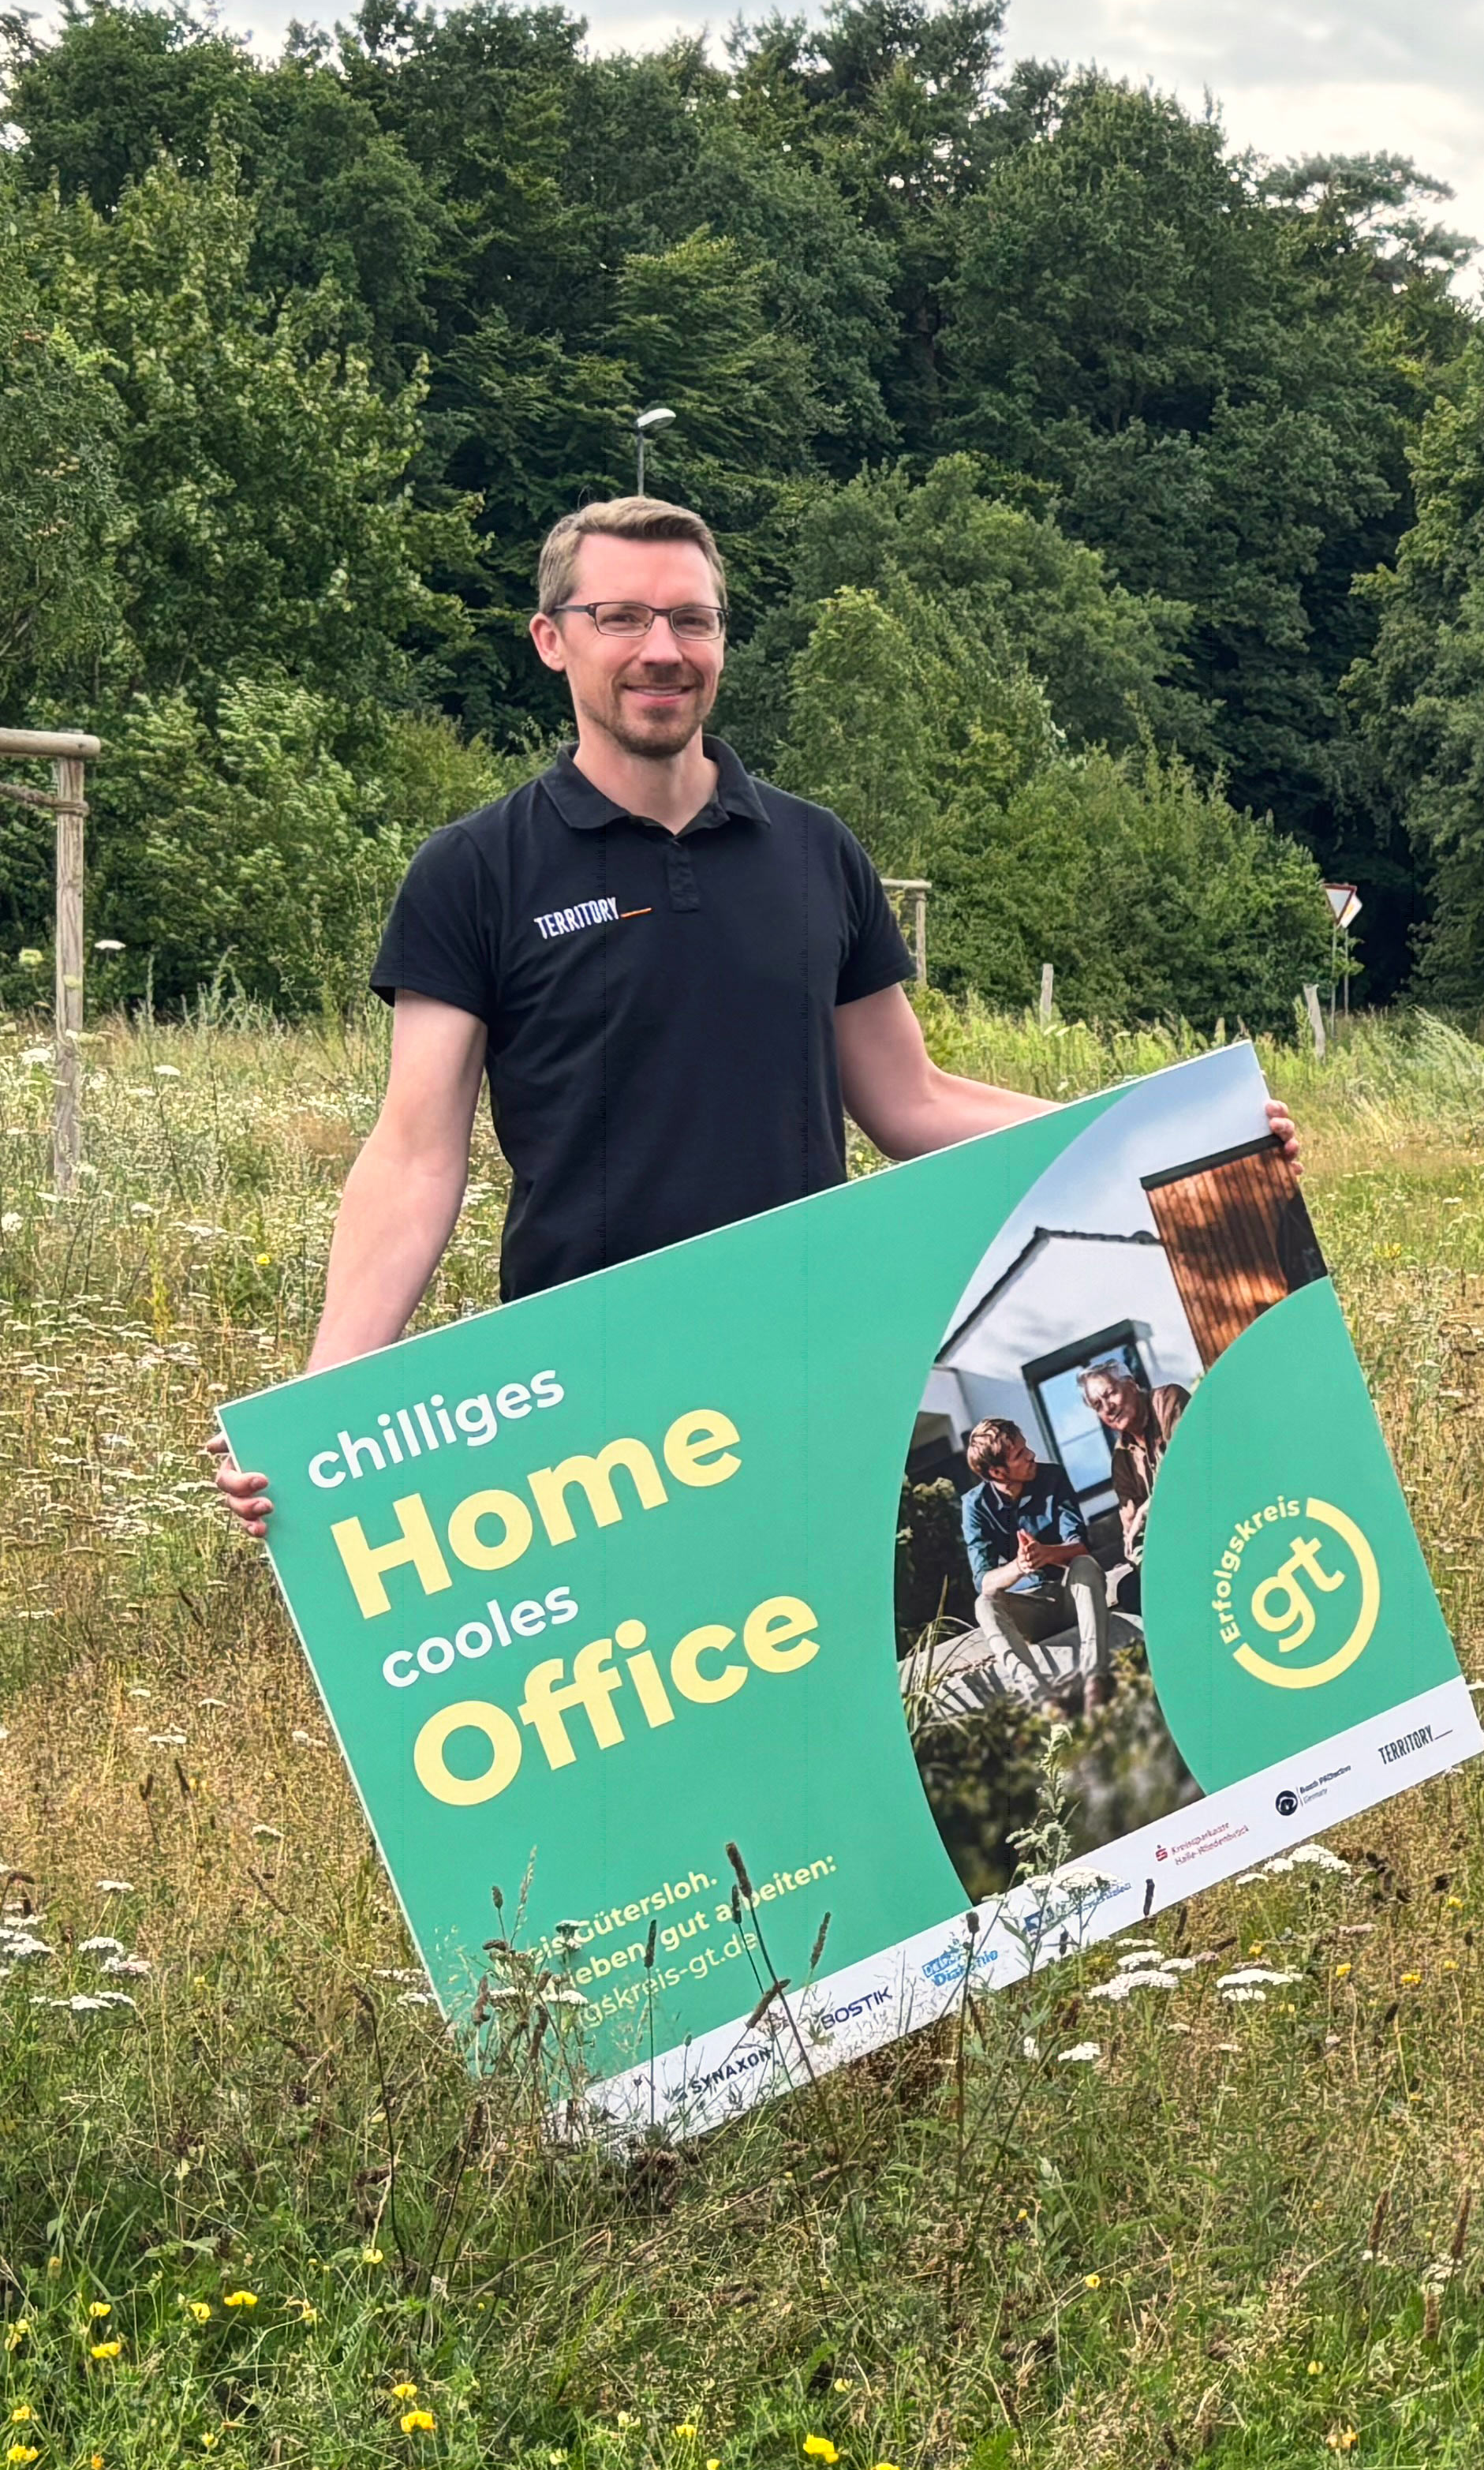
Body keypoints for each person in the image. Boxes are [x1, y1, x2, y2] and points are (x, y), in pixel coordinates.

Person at [215, 496, 1288, 1538]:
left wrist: (1170, 1142)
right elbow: (414, 1159)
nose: (662, 650)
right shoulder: (474, 873)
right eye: (621, 617)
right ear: (552, 640)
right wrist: (316, 1411)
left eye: (692, 619)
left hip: (812, 1367)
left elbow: (911, 1101)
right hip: (591, 1402)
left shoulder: (816, 853)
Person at [959, 1420, 1111, 1708]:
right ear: (997, 1472)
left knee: (1085, 1564)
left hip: (1071, 1594)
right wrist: (1020, 1565)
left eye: (1026, 1446)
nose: (1031, 1455)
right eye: (1020, 1454)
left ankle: (1095, 1681)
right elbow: (983, 1581)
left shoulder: (1053, 1477)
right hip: (1030, 1610)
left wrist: (1047, 1553)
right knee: (985, 1604)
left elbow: (1080, 1545)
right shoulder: (975, 1506)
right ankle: (1043, 1699)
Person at [1080, 1361, 1187, 1593]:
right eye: (1098, 1405)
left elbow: (1189, 1469)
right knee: (1130, 1590)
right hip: (1175, 1543)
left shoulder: (1167, 1401)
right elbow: (1132, 1532)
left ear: (1131, 1384)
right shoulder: (1121, 1459)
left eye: (1110, 1394)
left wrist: (1146, 1509)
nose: (1107, 1408)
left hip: (1211, 1512)